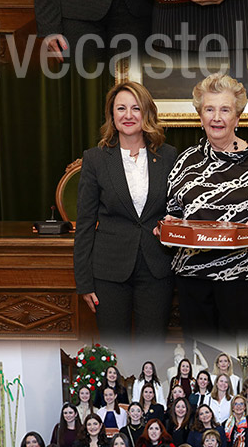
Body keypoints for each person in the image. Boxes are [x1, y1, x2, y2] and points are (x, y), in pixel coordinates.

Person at [163, 73, 248, 335]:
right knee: (200, 365)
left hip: (242, 281)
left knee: (238, 367)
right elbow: (172, 216)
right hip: (193, 281)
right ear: (200, 115)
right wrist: (168, 228)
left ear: (237, 117)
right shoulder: (185, 162)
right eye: (209, 109)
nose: (217, 117)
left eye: (225, 109)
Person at [73, 80, 178, 337]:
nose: (128, 115)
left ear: (147, 114)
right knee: (114, 349)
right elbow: (85, 224)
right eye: (121, 108)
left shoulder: (169, 156)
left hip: (157, 269)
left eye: (135, 108)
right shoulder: (95, 159)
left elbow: (177, 212)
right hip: (109, 272)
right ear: (112, 114)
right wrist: (84, 282)